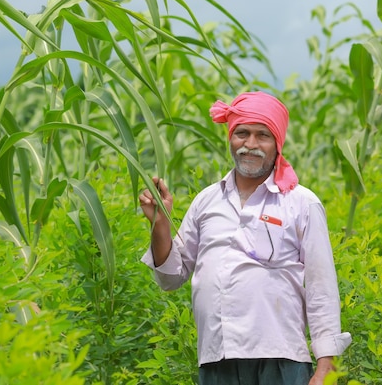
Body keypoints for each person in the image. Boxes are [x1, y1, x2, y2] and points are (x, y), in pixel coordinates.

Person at [139, 91, 351, 385]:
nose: (250, 145)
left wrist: (326, 363)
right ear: (230, 138)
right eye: (242, 133)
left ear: (277, 143)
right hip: (217, 358)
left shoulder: (301, 203)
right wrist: (160, 223)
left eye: (262, 135)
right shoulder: (207, 201)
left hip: (280, 360)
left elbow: (321, 285)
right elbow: (171, 278)